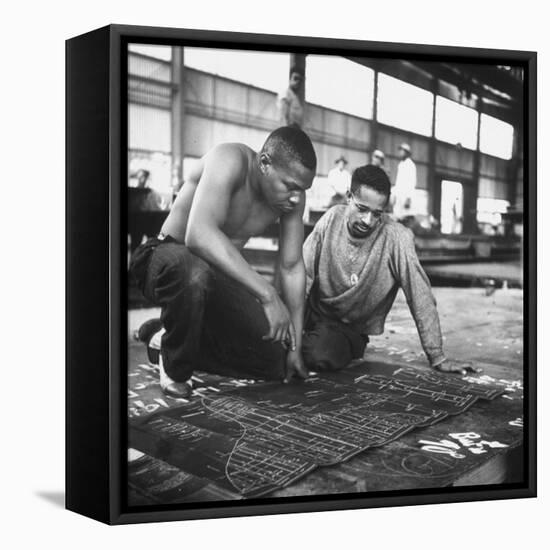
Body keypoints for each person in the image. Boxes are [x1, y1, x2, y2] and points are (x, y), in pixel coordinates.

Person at [129, 126, 317, 398]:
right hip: (165, 257)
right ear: (264, 163)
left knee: (277, 359)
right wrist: (267, 294)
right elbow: (198, 235)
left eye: (303, 189)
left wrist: (295, 346)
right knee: (193, 270)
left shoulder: (291, 199)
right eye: (290, 186)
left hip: (214, 277)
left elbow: (292, 267)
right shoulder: (229, 159)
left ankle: (163, 338)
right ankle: (175, 364)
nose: (297, 197)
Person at [301, 164, 480, 376]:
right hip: (310, 311)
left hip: (347, 329)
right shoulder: (331, 218)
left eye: (377, 214)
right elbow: (302, 275)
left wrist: (437, 355)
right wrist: (290, 322)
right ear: (349, 197)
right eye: (362, 209)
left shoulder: (396, 238)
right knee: (268, 329)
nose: (368, 221)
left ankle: (309, 343)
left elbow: (419, 294)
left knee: (319, 354)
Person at [392, 143, 417, 220]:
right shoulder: (401, 165)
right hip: (399, 195)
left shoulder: (410, 165)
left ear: (406, 153)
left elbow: (412, 182)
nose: (400, 153)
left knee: (406, 217)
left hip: (406, 196)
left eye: (402, 151)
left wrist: (408, 199)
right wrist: (395, 195)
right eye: (400, 151)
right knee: (397, 217)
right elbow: (398, 181)